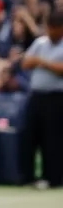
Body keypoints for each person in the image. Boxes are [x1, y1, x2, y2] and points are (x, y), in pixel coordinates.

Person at [19, 13, 63, 188]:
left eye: (54, 28)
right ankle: (26, 177)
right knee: (29, 135)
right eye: (49, 27)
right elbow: (25, 63)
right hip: (36, 95)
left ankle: (53, 178)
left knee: (53, 139)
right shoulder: (40, 43)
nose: (50, 31)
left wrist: (42, 62)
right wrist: (44, 63)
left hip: (57, 97)